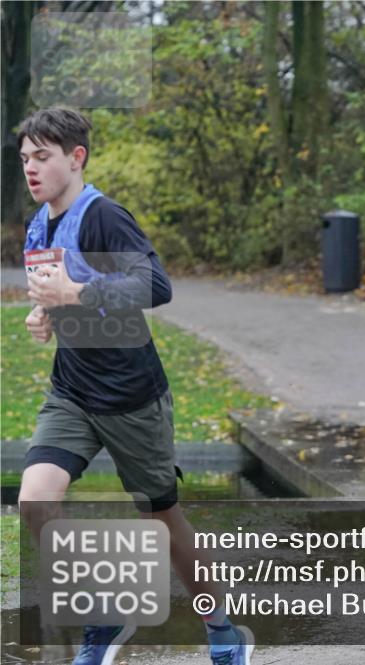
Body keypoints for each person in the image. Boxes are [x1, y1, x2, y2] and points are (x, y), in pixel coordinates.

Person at [16, 107, 253, 664]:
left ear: (76, 159)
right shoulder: (38, 223)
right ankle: (102, 615)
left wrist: (74, 296)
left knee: (163, 519)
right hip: (72, 390)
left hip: (130, 397)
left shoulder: (102, 216)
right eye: (25, 159)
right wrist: (44, 316)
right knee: (34, 502)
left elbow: (154, 284)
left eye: (42, 157)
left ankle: (222, 631)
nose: (30, 169)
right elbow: (59, 293)